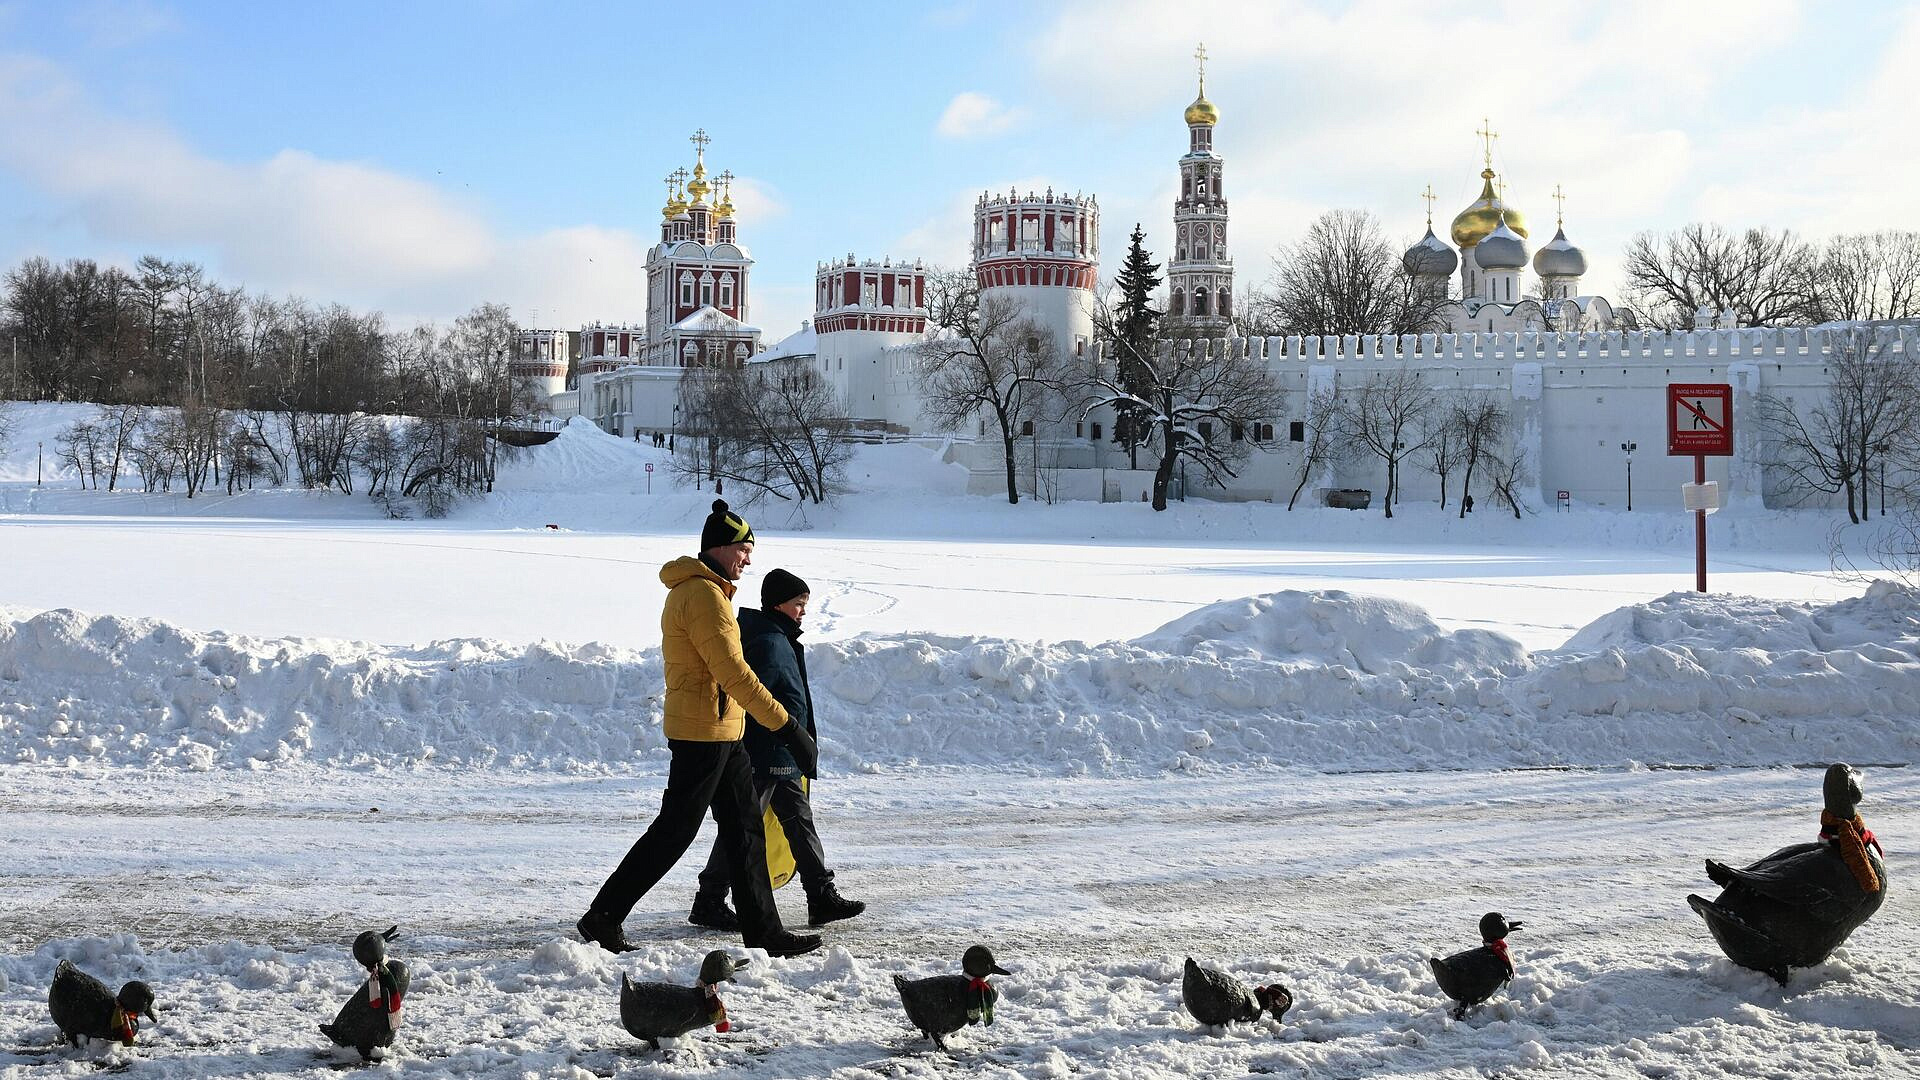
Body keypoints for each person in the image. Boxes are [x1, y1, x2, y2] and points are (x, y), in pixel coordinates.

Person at [577, 500, 822, 958]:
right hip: (702, 734)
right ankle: (603, 916)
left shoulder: (712, 592)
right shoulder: (703, 596)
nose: (748, 559)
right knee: (675, 830)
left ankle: (765, 931)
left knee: (745, 830)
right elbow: (734, 674)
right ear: (721, 547)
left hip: (724, 731)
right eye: (744, 549)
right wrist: (788, 727)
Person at [689, 568, 866, 931]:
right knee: (743, 826)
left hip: (781, 752)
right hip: (765, 752)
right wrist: (787, 736)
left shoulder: (775, 636)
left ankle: (820, 895)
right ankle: (709, 899)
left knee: (799, 822)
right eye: (798, 604)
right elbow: (756, 698)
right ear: (777, 603)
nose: (803, 611)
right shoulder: (769, 641)